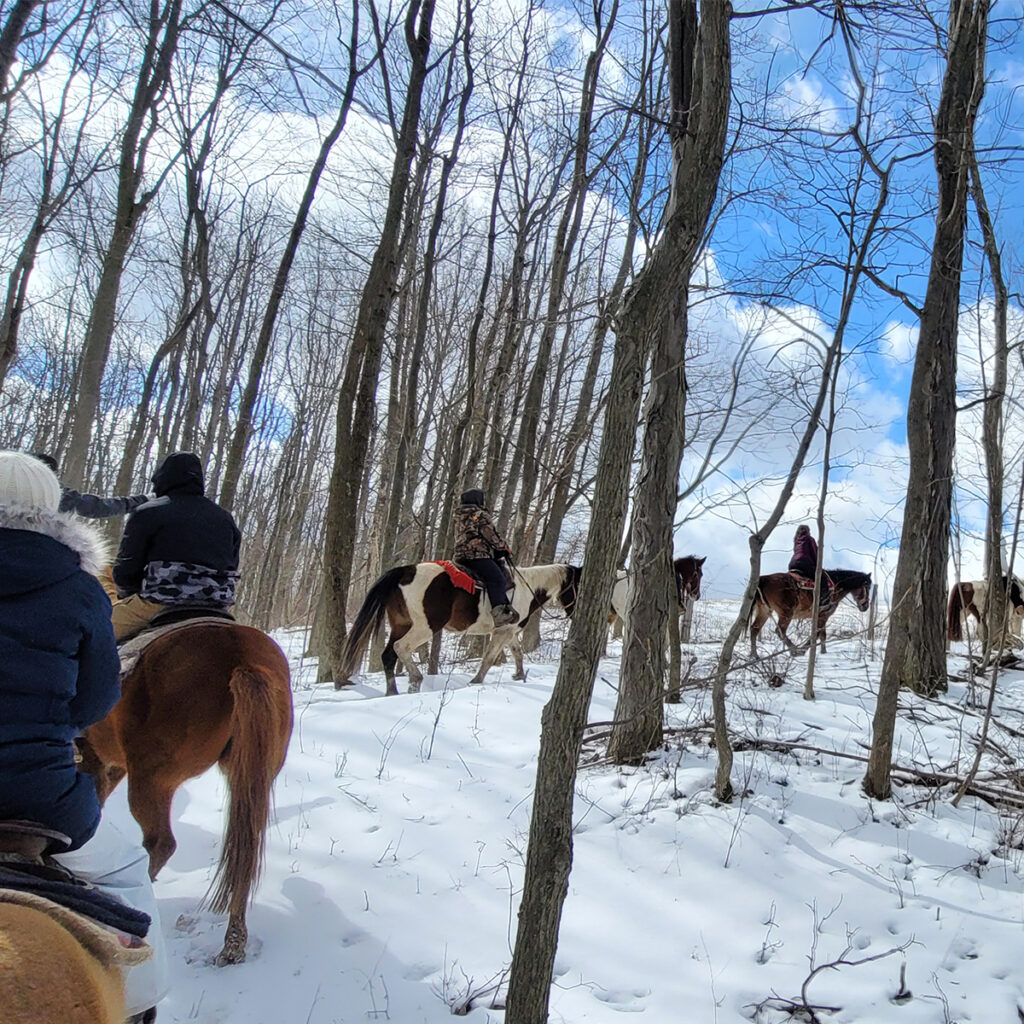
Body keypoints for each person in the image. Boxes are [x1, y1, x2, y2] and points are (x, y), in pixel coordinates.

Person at [0, 450, 168, 1021]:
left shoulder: (147, 519)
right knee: (126, 873)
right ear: (52, 509)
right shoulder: (80, 590)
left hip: (153, 600)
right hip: (39, 798)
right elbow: (98, 700)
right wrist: (53, 729)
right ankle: (145, 999)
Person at [111, 451, 240, 642]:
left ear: (162, 479)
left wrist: (127, 594)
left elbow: (125, 571)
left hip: (159, 603)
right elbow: (232, 564)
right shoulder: (225, 518)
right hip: (216, 606)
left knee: (95, 632)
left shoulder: (147, 512)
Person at [453, 488, 519, 627]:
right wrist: (504, 548)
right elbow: (491, 536)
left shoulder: (458, 515)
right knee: (497, 579)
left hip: (460, 557)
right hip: (477, 556)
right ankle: (499, 614)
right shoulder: (480, 515)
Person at [32, 452, 149, 519]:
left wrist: (140, 500)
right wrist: (142, 500)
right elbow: (96, 507)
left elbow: (95, 506)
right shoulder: (52, 494)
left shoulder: (56, 493)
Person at [788, 523, 828, 607]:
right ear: (808, 531)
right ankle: (823, 600)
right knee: (823, 578)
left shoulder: (796, 540)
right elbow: (815, 554)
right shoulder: (809, 539)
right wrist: (818, 567)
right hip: (804, 562)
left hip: (792, 564)